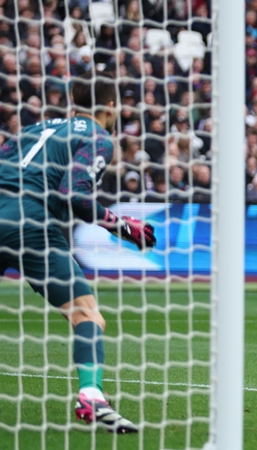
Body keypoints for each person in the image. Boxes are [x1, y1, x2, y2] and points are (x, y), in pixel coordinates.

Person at [0, 72, 155, 432]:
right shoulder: (98, 137)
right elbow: (74, 194)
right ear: (111, 107)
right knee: (88, 316)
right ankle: (91, 396)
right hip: (32, 225)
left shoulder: (33, 129)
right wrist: (120, 225)